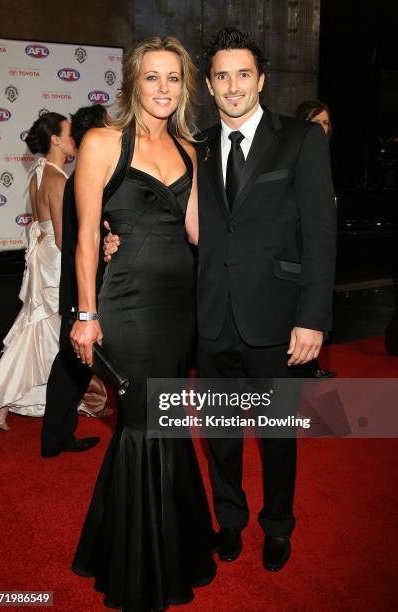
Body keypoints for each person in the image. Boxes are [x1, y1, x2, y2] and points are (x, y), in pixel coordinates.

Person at [105, 27, 337, 574]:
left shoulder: (301, 140)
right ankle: (229, 521)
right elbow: (162, 213)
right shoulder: (196, 147)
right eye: (222, 76)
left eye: (243, 74)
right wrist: (117, 237)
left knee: (278, 436)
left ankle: (277, 526)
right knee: (222, 435)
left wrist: (312, 319)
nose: (233, 86)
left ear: (262, 79)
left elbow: (321, 234)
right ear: (208, 84)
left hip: (279, 321)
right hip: (210, 319)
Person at [70, 37, 216, 610]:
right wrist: (86, 313)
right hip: (127, 303)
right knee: (142, 425)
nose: (162, 88)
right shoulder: (103, 141)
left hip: (181, 306)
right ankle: (141, 565)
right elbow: (85, 236)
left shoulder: (190, 148)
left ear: (184, 87)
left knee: (165, 423)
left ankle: (153, 545)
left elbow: (201, 233)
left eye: (173, 79)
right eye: (152, 77)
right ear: (134, 81)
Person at [0, 113, 105, 432]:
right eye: (69, 135)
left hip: (42, 257)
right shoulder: (57, 179)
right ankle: (1, 395)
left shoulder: (37, 173)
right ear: (55, 140)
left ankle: (51, 396)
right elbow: (63, 231)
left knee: (40, 330)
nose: (74, 141)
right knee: (53, 330)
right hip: (55, 260)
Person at [41, 104, 112, 458]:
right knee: (72, 365)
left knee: (74, 365)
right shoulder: (83, 178)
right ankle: (56, 437)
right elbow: (81, 239)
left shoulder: (81, 176)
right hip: (81, 286)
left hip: (79, 283)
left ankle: (57, 435)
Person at [295, 99, 336, 378]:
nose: (321, 128)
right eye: (315, 122)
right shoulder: (296, 151)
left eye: (325, 122)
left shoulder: (325, 154)